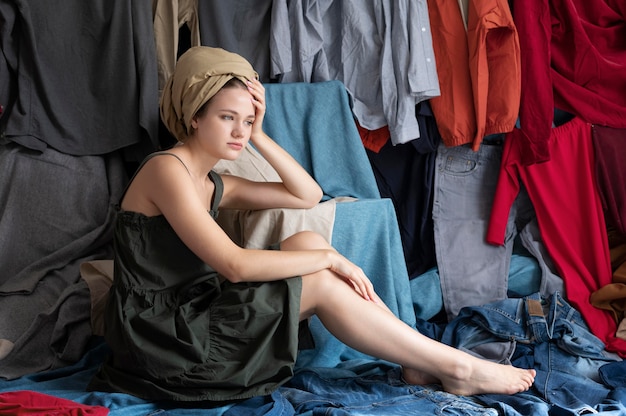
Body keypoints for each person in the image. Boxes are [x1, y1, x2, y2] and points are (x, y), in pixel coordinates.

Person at [89, 46, 535, 402]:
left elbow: (305, 195)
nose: (239, 132)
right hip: (166, 342)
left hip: (192, 313)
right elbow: (234, 266)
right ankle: (457, 368)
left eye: (247, 120)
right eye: (227, 118)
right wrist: (328, 260)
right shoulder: (166, 170)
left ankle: (418, 360)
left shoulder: (212, 181)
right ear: (193, 116)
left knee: (303, 234)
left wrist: (262, 135)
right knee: (318, 273)